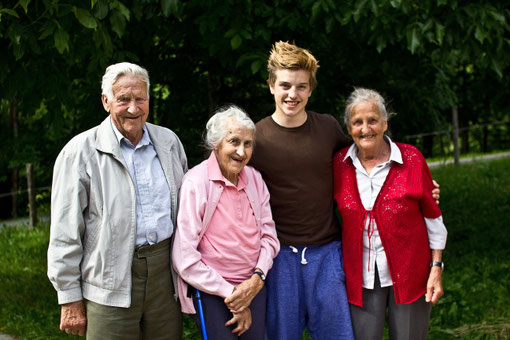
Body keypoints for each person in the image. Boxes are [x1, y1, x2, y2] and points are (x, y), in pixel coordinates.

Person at [47, 62, 187, 339]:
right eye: (123, 99)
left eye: (140, 98)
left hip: (164, 278)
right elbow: (64, 232)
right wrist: (69, 297)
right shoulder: (80, 152)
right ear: (106, 101)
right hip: (109, 281)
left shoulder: (168, 142)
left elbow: (188, 212)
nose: (133, 108)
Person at [247, 41, 355, 339]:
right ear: (271, 85)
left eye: (301, 87)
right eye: (285, 85)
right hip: (279, 257)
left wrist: (416, 186)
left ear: (310, 89)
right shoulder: (256, 137)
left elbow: (365, 166)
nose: (292, 94)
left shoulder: (328, 128)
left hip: (328, 253)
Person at [333, 88, 447, 339]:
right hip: (360, 277)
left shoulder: (412, 158)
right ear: (348, 127)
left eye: (372, 120)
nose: (366, 129)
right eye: (357, 122)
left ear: (385, 122)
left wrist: (436, 266)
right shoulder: (339, 164)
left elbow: (433, 217)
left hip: (411, 275)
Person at [172, 105, 280, 339]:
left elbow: (269, 237)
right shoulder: (196, 182)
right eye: (234, 142)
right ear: (216, 143)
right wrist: (233, 296)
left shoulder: (255, 178)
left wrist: (257, 278)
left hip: (254, 286)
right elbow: (184, 257)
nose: (241, 151)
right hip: (212, 291)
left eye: (248, 143)